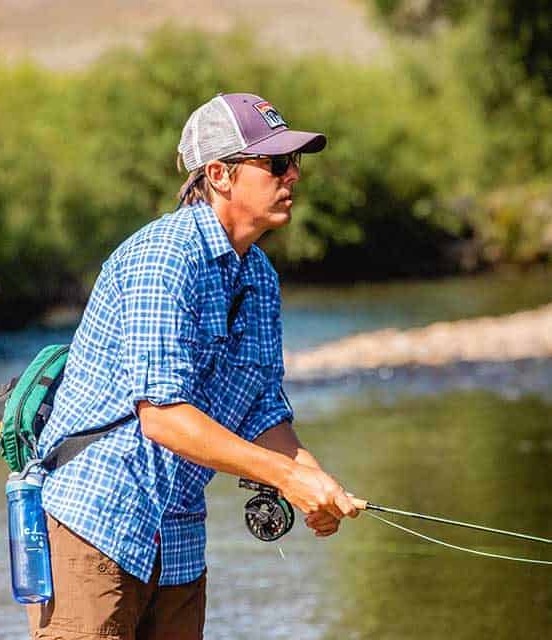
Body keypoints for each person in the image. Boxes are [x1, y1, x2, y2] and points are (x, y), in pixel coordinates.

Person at [29, 93, 358, 639]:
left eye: (295, 163)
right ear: (219, 175)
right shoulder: (164, 258)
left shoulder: (261, 279)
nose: (294, 176)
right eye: (276, 164)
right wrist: (286, 477)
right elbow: (163, 417)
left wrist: (314, 478)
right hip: (96, 526)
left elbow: (261, 411)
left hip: (179, 543)